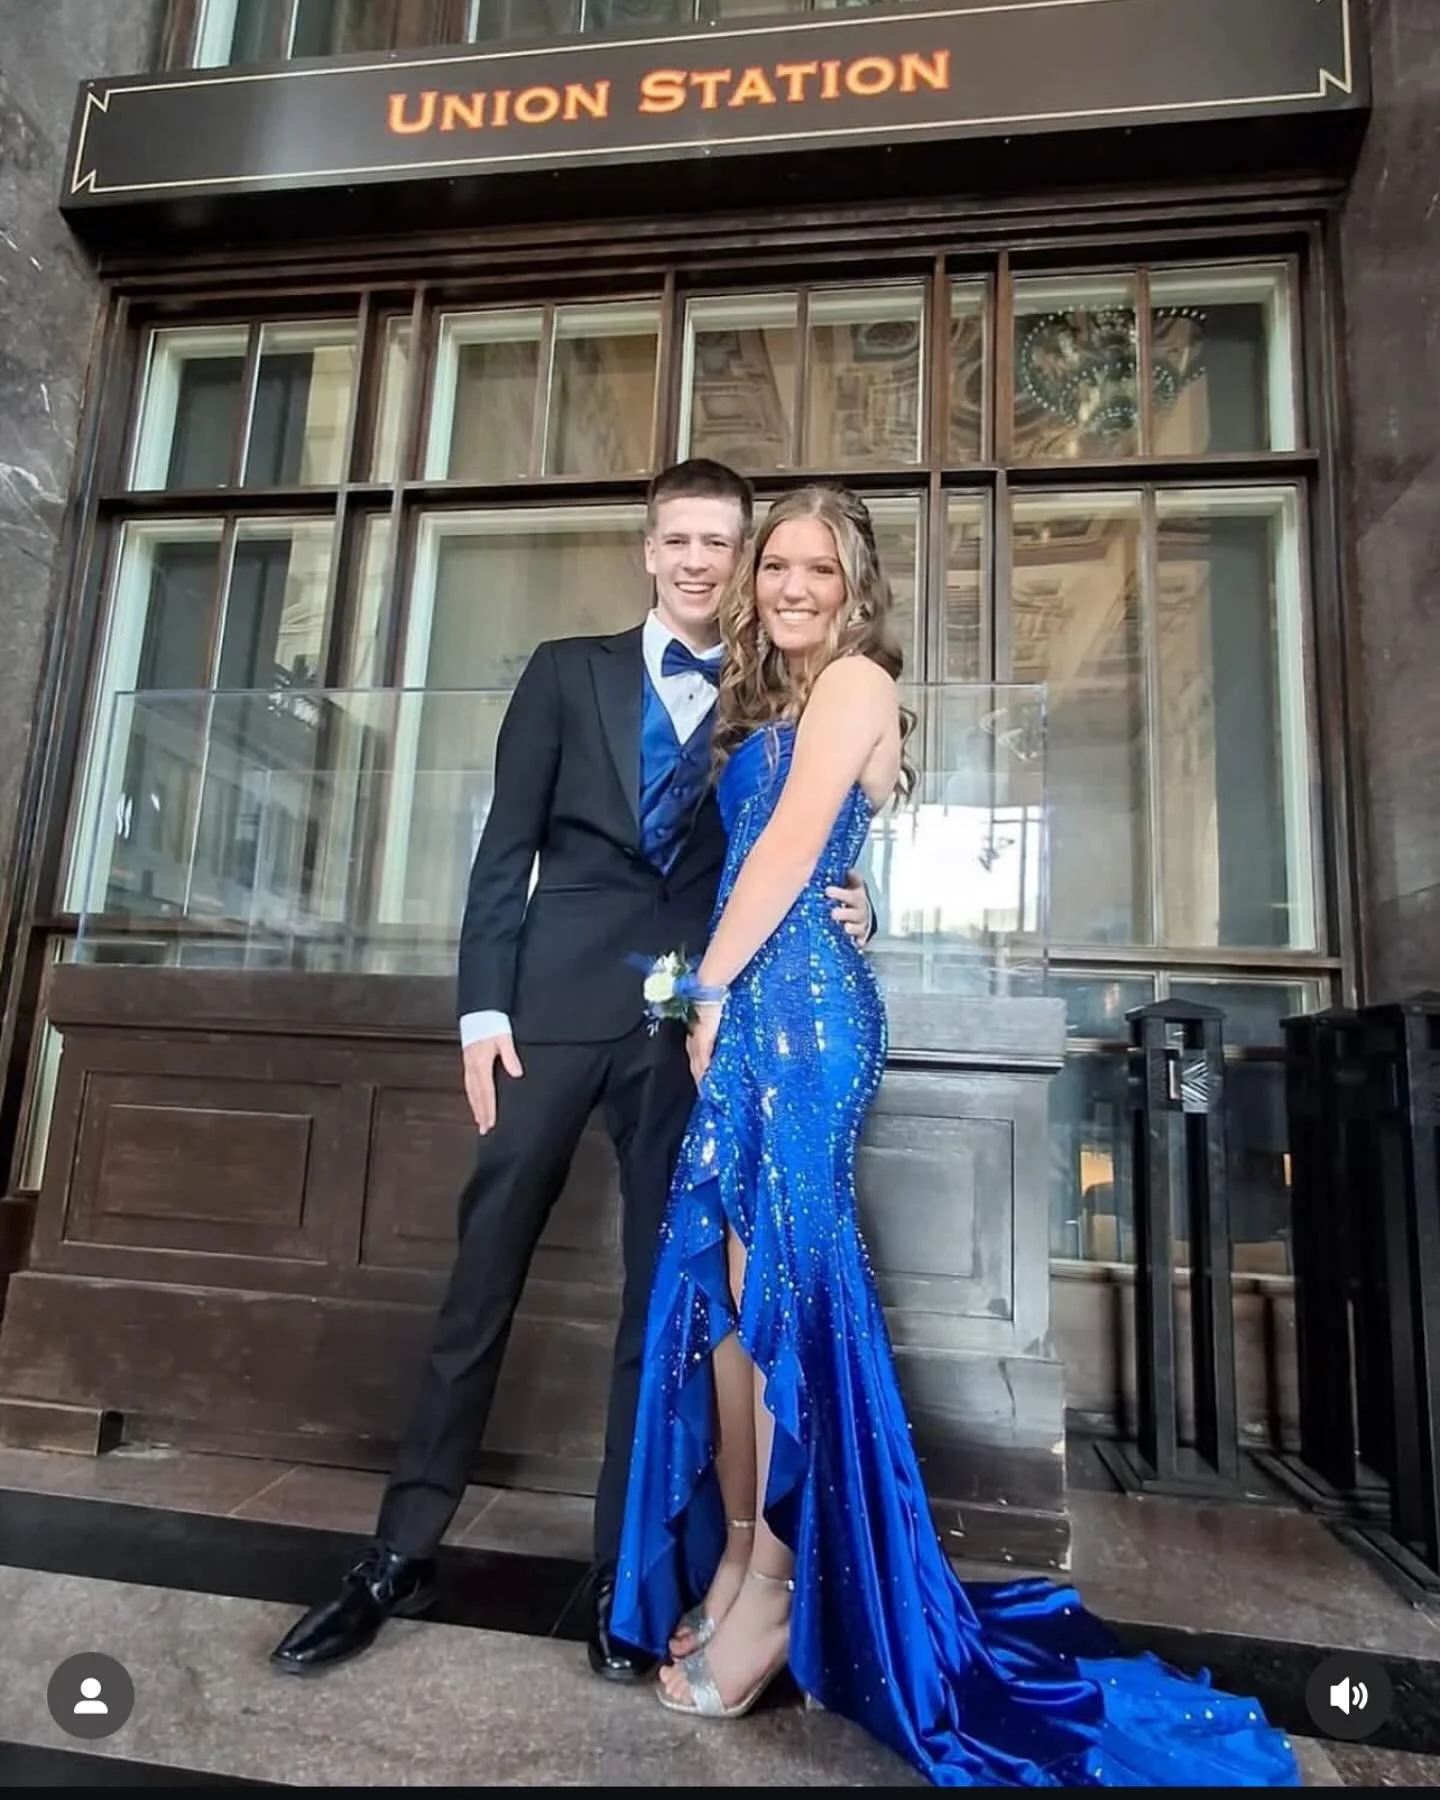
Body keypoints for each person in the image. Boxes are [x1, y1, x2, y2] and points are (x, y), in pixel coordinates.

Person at [610, 483, 1301, 1788]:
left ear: (853, 584)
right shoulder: (776, 699)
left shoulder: (858, 681)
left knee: (786, 1296)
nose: (791, 586)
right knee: (729, 1302)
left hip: (799, 1018)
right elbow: (789, 848)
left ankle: (773, 1587)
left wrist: (708, 986)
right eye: (777, 566)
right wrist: (755, 960)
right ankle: (746, 1549)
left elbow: (788, 852)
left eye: (816, 567)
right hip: (759, 1000)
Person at [269, 459, 873, 1682]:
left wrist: (862, 905)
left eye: (723, 542)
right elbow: (505, 852)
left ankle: (624, 1577)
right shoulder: (563, 672)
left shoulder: (773, 698)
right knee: (479, 1277)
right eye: (681, 541)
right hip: (545, 1015)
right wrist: (480, 1010)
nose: (702, 561)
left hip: (691, 1036)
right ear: (649, 552)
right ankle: (397, 1550)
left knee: (663, 1308)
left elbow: (798, 835)